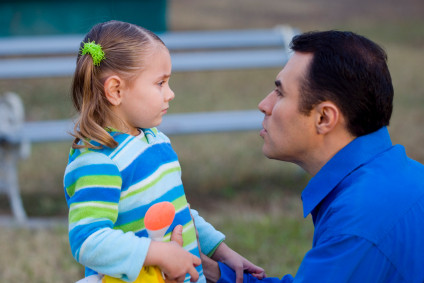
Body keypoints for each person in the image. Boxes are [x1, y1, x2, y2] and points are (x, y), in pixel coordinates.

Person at [203, 30, 424, 282]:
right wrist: (211, 273)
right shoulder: (405, 177)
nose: (264, 104)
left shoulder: (358, 222)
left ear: (324, 118)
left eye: (281, 93)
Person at [63, 20, 264, 283]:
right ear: (116, 90)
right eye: (160, 83)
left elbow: (177, 210)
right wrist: (156, 253)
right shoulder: (98, 161)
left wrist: (221, 252)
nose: (170, 94)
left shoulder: (156, 142)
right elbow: (87, 241)